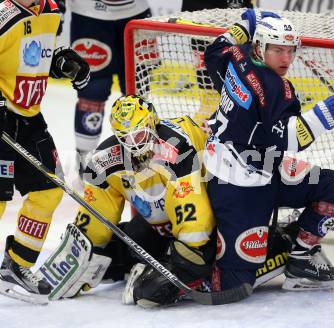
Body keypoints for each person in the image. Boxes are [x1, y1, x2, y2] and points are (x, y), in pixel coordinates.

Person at [203, 9, 334, 295]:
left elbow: (214, 50)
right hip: (238, 187)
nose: (286, 59)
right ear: (261, 46)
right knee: (234, 287)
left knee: (332, 185)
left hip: (262, 168)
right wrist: (326, 115)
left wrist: (246, 23)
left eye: (290, 50)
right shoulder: (274, 88)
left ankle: (299, 259)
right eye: (277, 50)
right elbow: (288, 138)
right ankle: (261, 249)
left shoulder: (236, 54)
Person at [36, 95, 217, 306]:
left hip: (209, 224)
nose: (135, 143)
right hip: (160, 225)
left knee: (150, 293)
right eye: (126, 137)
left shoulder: (177, 148)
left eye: (139, 134)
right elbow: (98, 212)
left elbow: (195, 224)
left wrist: (180, 262)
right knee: (127, 245)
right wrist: (83, 251)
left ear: (152, 123)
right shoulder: (104, 161)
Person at [0, 0, 90, 304]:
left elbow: (37, 57)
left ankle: (18, 264)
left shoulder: (52, 11)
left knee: (49, 190)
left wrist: (64, 64)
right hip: (2, 117)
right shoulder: (3, 14)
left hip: (29, 119)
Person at [68, 0, 152, 177]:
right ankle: (85, 162)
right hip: (89, 14)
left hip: (136, 10)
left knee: (138, 94)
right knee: (92, 92)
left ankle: (141, 158)